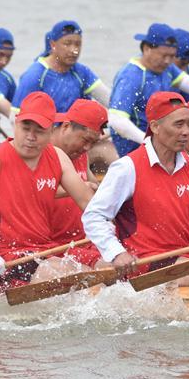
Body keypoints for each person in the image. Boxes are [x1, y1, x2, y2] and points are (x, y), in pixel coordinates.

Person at [83, 92, 189, 286]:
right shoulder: (127, 168)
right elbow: (94, 216)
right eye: (179, 124)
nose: (187, 131)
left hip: (187, 251)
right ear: (155, 127)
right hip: (147, 258)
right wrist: (116, 253)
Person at [0, 92, 96, 289]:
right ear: (15, 124)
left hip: (48, 250)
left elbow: (89, 204)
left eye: (39, 131)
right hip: (8, 256)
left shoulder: (58, 157)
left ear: (51, 132)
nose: (31, 137)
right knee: (76, 276)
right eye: (25, 128)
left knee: (106, 266)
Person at [108, 23, 189, 157]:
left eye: (172, 56)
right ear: (146, 48)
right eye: (163, 55)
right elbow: (116, 120)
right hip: (134, 146)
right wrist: (147, 141)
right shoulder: (131, 76)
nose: (168, 61)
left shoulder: (167, 69)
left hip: (162, 140)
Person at [49, 99, 107, 267]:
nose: (87, 148)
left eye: (93, 143)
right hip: (54, 247)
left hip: (83, 241)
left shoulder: (80, 153)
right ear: (66, 127)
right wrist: (76, 190)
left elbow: (96, 192)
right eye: (85, 140)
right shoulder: (39, 152)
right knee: (109, 266)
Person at [15, 20, 109, 113]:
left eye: (78, 44)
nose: (74, 50)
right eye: (67, 44)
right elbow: (15, 116)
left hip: (74, 126)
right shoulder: (34, 76)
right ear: (53, 45)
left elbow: (111, 102)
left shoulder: (81, 72)